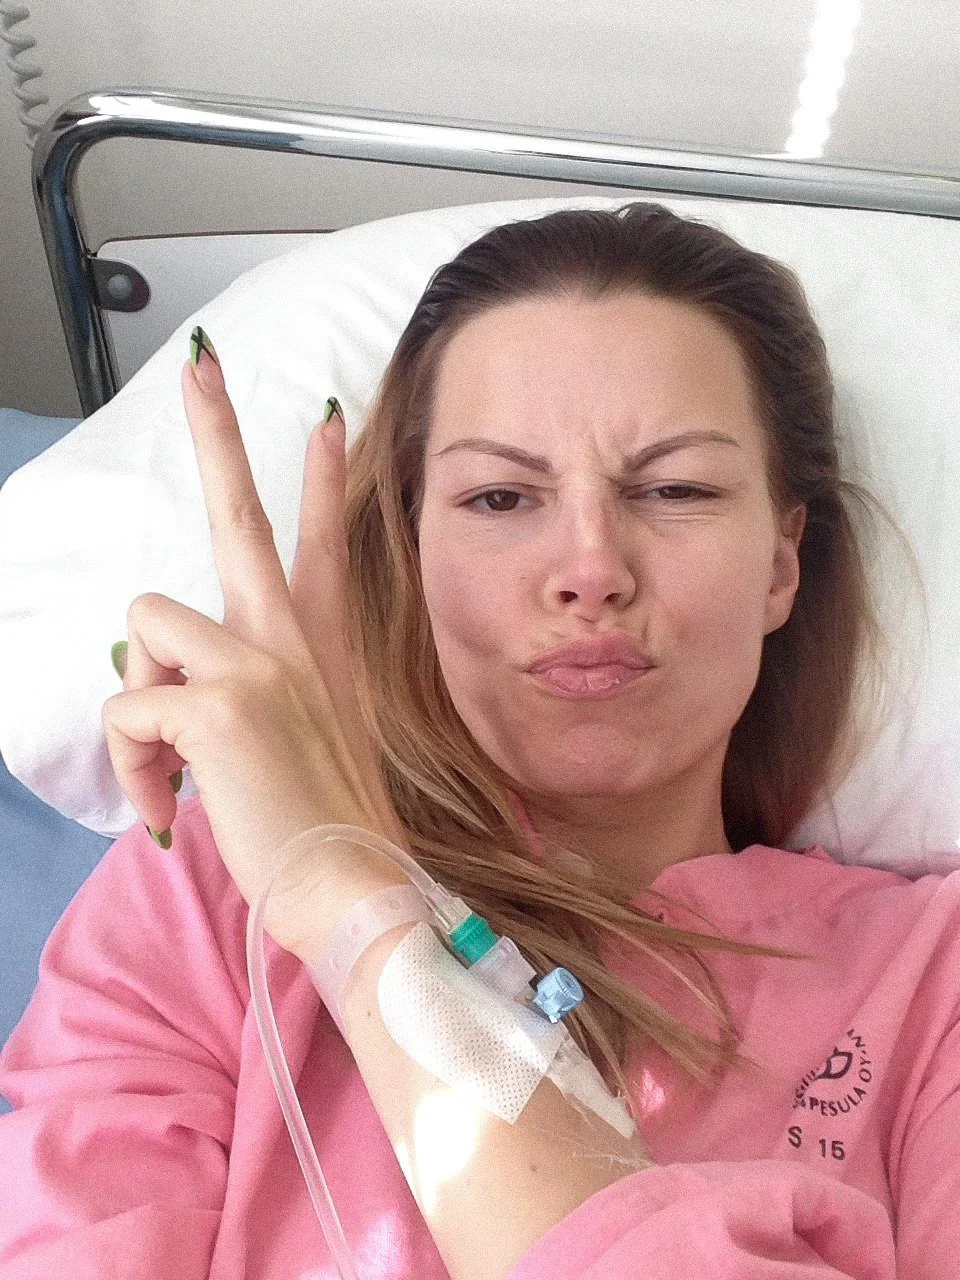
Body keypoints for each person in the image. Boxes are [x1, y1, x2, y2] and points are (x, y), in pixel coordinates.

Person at [0, 202, 956, 1279]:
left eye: (675, 489)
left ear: (782, 565)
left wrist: (359, 914)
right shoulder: (215, 892)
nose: (590, 568)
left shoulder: (930, 982)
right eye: (500, 496)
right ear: (415, 553)